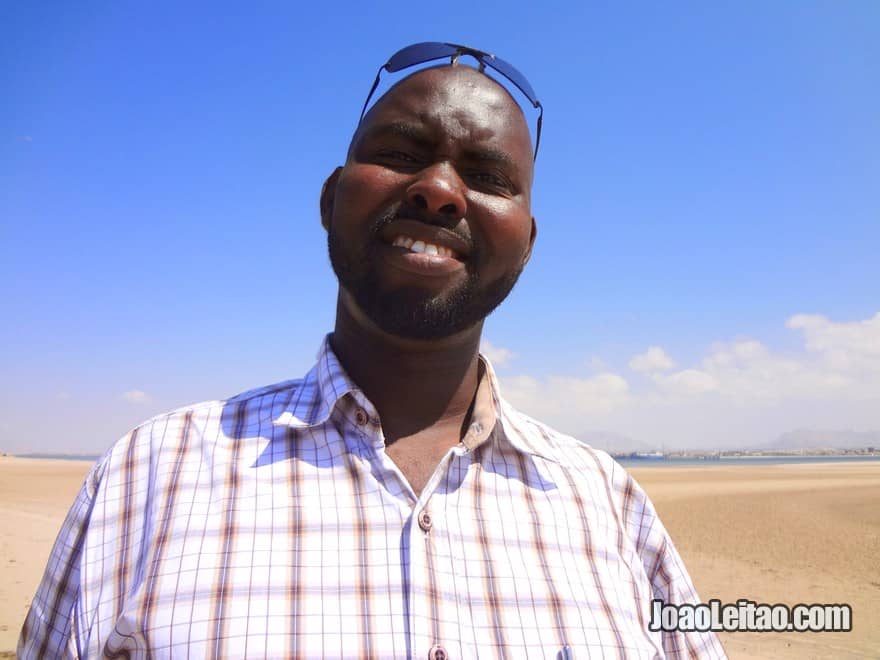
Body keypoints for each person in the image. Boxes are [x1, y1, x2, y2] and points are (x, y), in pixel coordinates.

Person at [20, 42, 726, 659]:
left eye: (485, 176)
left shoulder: (608, 502)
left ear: (527, 246)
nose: (440, 191)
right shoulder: (148, 477)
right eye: (399, 156)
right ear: (331, 199)